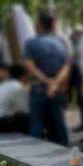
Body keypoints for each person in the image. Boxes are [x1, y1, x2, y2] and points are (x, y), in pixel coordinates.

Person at [24, 10, 71, 146]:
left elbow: (29, 65)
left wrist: (46, 80)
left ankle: (35, 153)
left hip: (38, 87)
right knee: (59, 123)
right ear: (54, 24)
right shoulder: (61, 42)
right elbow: (66, 66)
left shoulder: (31, 43)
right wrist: (54, 83)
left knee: (36, 123)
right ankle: (63, 151)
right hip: (56, 89)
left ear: (39, 24)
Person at [0, 65, 30, 133]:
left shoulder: (4, 84)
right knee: (25, 117)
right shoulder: (18, 87)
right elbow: (24, 109)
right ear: (23, 76)